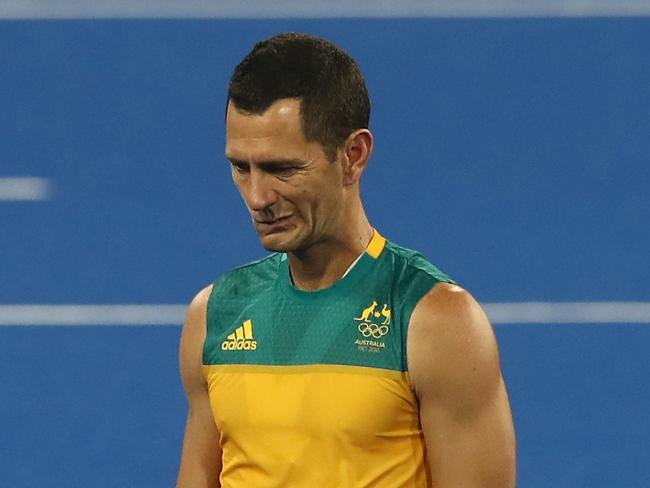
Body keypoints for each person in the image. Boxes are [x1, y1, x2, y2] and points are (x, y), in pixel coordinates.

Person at [176, 32, 516, 487]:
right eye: (242, 167)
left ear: (353, 156)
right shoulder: (214, 316)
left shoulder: (435, 323)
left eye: (282, 169)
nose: (258, 197)